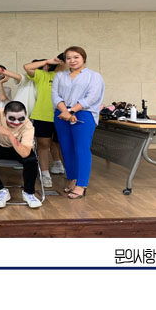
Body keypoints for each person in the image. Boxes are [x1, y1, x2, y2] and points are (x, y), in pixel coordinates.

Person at [52, 46, 105, 199]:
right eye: (68, 58)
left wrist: (72, 111)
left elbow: (92, 97)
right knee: (66, 148)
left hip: (84, 113)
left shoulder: (94, 76)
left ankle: (81, 185)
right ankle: (72, 179)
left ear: (83, 58)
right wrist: (65, 111)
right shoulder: (60, 76)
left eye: (76, 57)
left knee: (81, 149)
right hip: (61, 113)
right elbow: (55, 96)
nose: (72, 60)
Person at [0, 101, 42, 208]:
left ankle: (29, 193)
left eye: (21, 118)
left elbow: (25, 153)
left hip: (19, 147)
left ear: (25, 115)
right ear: (4, 114)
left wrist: (9, 134)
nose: (16, 122)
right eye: (12, 118)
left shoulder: (28, 125)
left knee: (31, 161)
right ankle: (1, 190)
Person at [23, 55, 64, 188]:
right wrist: (47, 61)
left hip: (63, 116)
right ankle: (45, 174)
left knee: (63, 145)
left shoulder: (69, 77)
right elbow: (27, 67)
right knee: (43, 144)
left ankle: (71, 174)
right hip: (43, 115)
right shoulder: (44, 76)